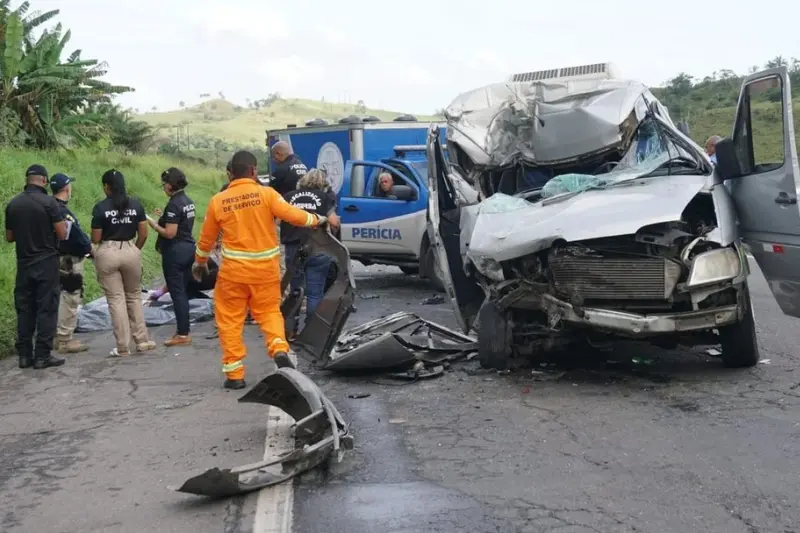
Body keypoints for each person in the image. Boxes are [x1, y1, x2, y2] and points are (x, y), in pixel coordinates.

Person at [192, 150, 327, 390]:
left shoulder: (218, 201)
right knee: (269, 313)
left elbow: (206, 239)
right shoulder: (267, 194)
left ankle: (235, 375)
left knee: (230, 320)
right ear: (254, 171)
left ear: (230, 172)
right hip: (264, 272)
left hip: (233, 274)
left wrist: (200, 262)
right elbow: (294, 216)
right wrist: (317, 219)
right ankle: (278, 349)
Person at [5, 164, 68, 369]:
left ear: (27, 180)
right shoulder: (49, 203)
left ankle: (24, 355)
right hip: (46, 263)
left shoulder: (13, 204)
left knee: (25, 309)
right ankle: (42, 355)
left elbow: (9, 237)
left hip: (24, 264)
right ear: (44, 181)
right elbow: (61, 233)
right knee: (47, 308)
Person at [90, 169, 157, 357]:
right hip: (130, 250)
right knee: (134, 296)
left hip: (107, 251)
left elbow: (95, 238)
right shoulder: (135, 204)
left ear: (106, 187)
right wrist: (134, 249)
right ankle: (142, 340)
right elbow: (143, 234)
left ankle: (122, 346)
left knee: (116, 299)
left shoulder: (100, 208)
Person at [281, 169, 341, 340]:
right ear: (323, 184)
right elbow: (333, 221)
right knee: (315, 292)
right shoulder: (324, 197)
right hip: (319, 248)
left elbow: (278, 219)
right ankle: (312, 333)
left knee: (295, 291)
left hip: (294, 248)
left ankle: (290, 331)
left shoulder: (289, 196)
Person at [147, 168, 197, 347]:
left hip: (175, 252)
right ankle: (183, 329)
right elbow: (180, 223)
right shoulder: (187, 201)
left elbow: (170, 233)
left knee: (177, 294)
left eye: (164, 184)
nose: (163, 187)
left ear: (170, 184)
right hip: (188, 249)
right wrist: (163, 217)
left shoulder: (174, 204)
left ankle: (183, 333)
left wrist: (153, 224)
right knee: (181, 292)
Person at [51, 173, 93, 354]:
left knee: (57, 297)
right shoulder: (62, 212)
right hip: (68, 261)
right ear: (67, 188)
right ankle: (65, 339)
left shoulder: (48, 207)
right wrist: (91, 250)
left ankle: (55, 336)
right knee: (70, 297)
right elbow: (77, 237)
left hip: (53, 259)